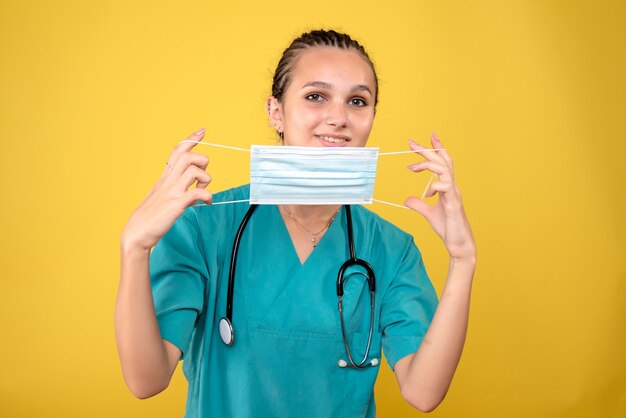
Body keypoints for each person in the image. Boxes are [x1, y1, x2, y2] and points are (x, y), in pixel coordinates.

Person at [115, 29, 476, 417]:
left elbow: (424, 394)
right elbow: (145, 380)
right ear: (276, 111)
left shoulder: (391, 248)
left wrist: (462, 258)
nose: (338, 118)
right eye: (315, 96)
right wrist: (134, 248)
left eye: (357, 101)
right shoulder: (206, 224)